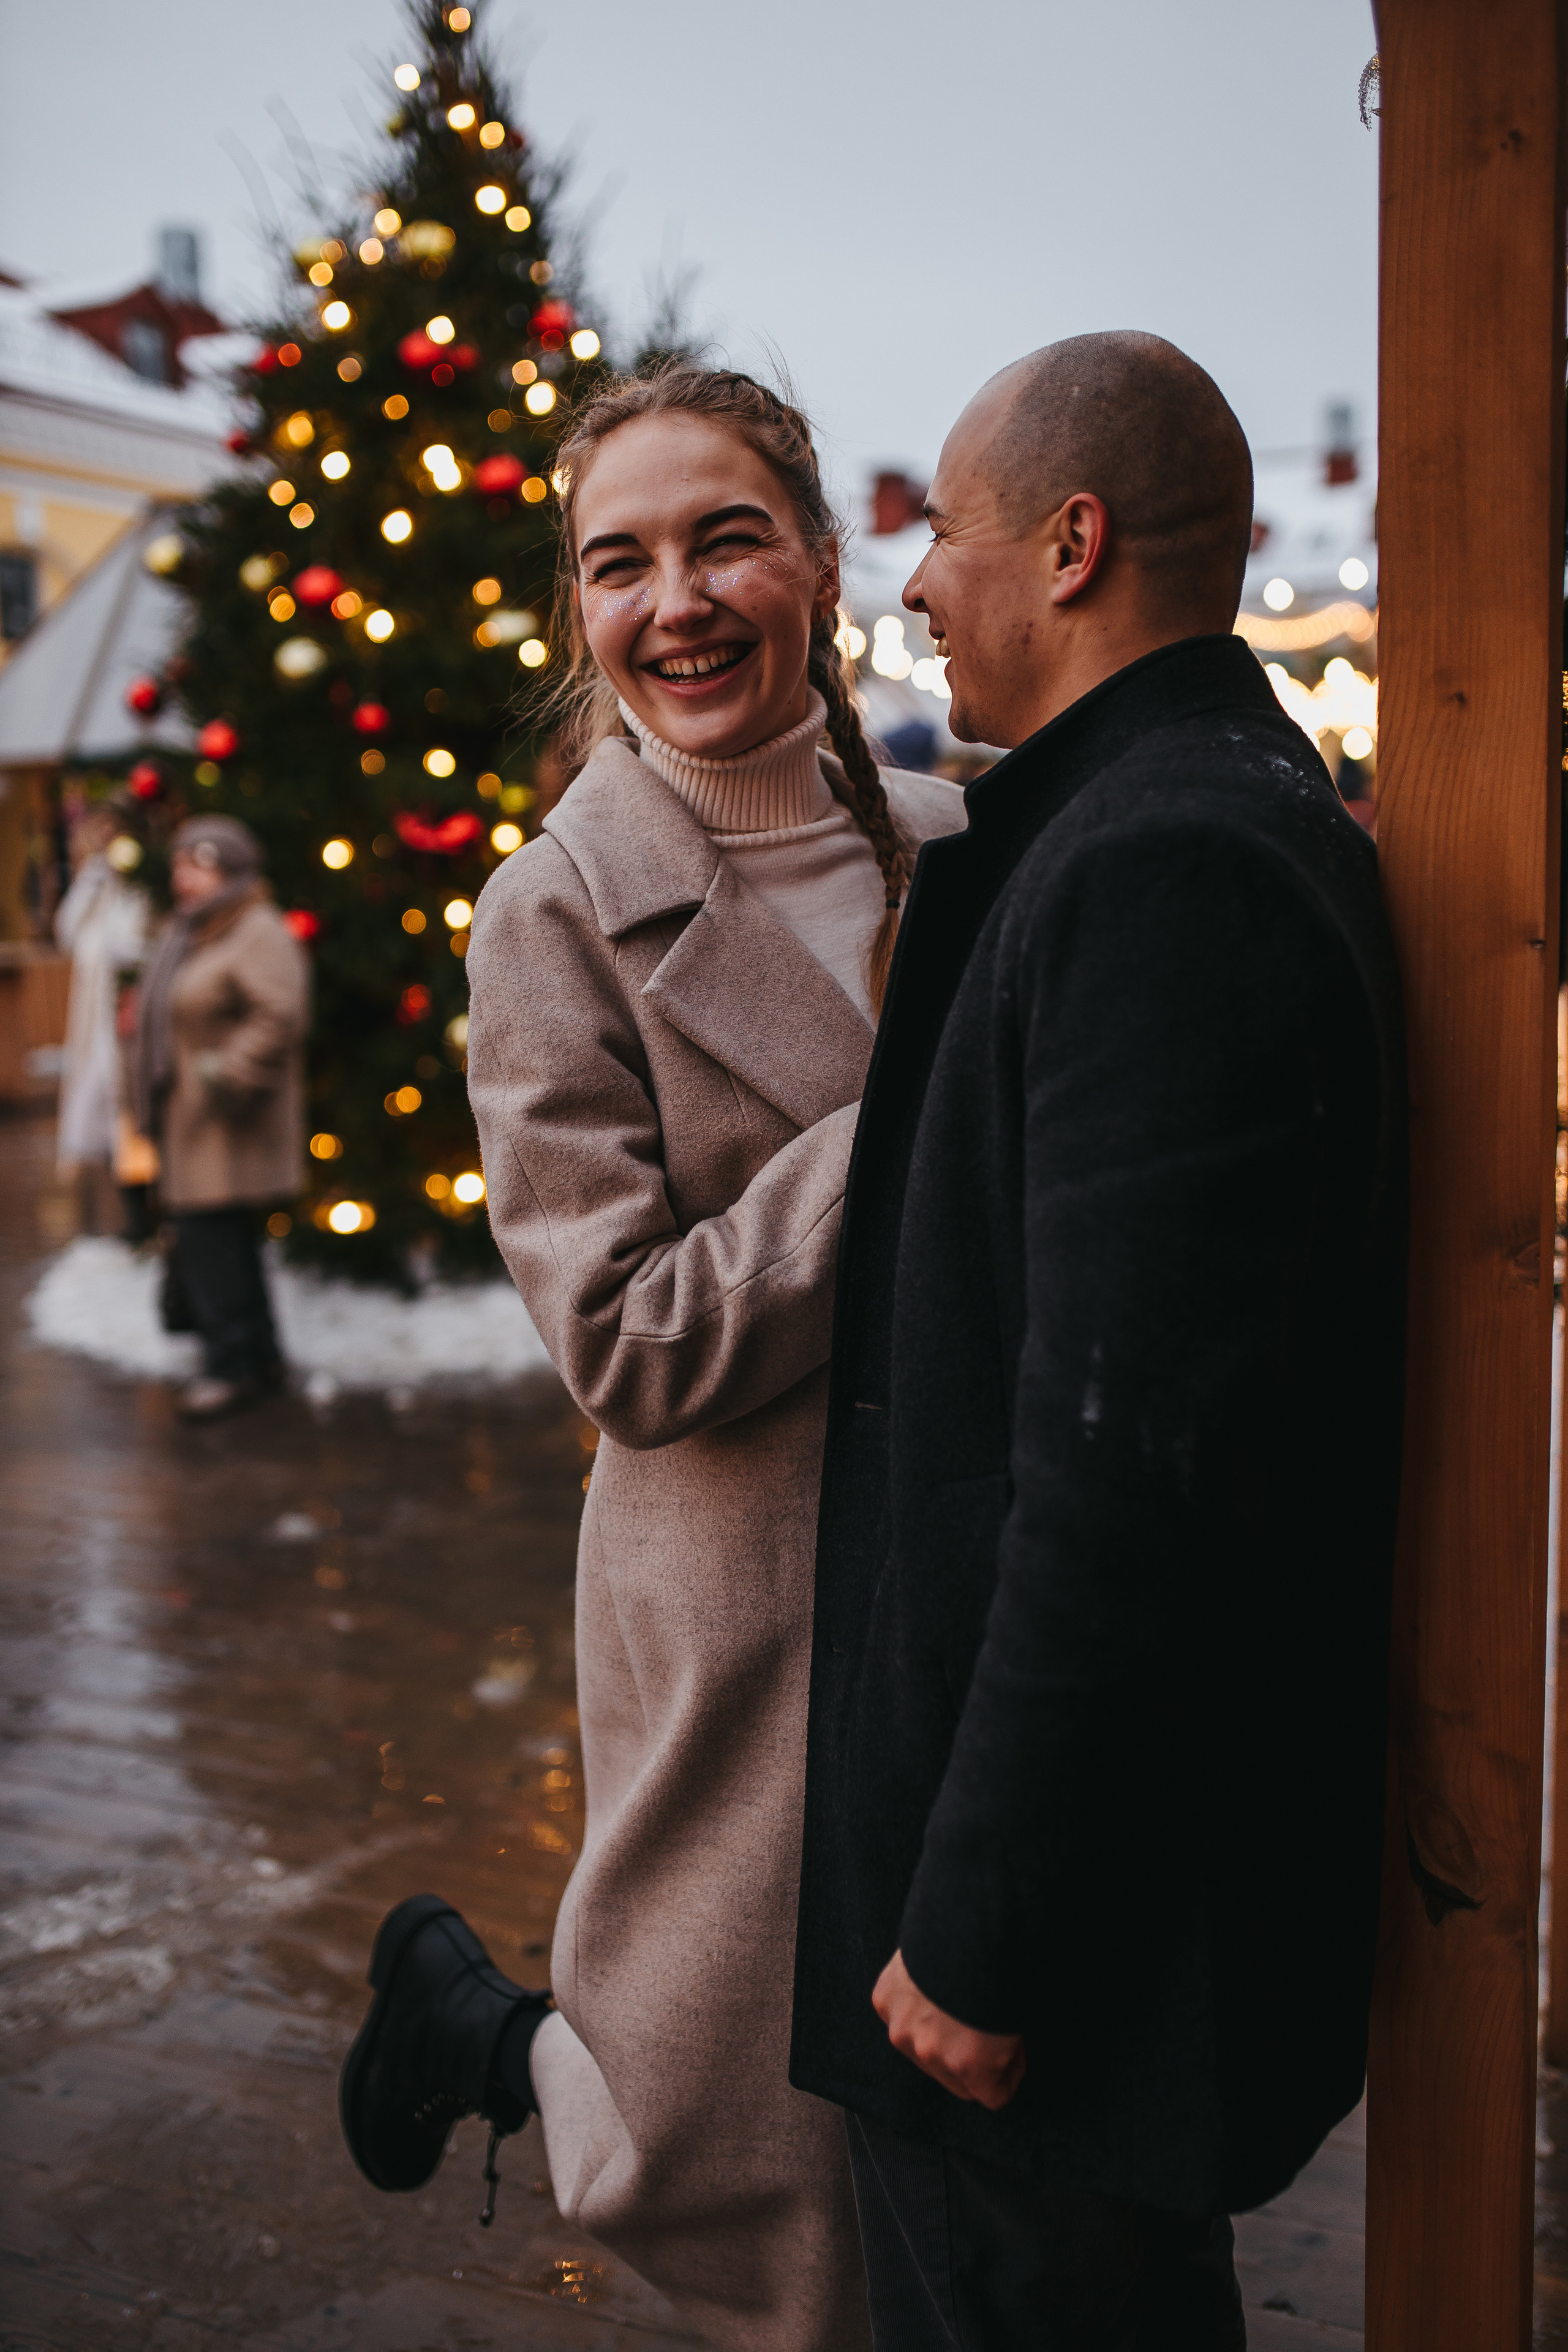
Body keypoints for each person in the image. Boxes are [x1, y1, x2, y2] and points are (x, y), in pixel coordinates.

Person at [789, 333, 1408, 2350]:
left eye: (948, 538)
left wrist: (980, 1933)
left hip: (1062, 1981)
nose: (917, 586)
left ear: (1070, 545)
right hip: (1078, 1949)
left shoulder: (1167, 862)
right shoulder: (1162, 812)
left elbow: (1129, 1464)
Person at [338, 366, 967, 2350]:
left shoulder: (971, 844)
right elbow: (617, 1340)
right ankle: (492, 2039)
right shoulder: (556, 915)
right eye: (621, 563)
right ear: (579, 611)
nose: (675, 601)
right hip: (743, 1595)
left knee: (956, 2119)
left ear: (815, 558)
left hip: (971, 1571)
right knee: (742, 2157)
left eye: (724, 539)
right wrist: (913, 1125)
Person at [130, 813, 308, 1421]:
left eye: (196, 865)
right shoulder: (196, 932)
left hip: (226, 1119)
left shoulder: (254, 929)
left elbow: (279, 1014)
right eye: (179, 864)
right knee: (224, 1245)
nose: (183, 878)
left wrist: (220, 1077)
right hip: (194, 1122)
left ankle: (232, 1367)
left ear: (230, 870)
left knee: (212, 1243)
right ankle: (258, 1360)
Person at [54, 803, 149, 1231]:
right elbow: (68, 933)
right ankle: (119, 1212)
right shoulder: (97, 881)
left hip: (127, 1010)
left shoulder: (142, 883)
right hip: (93, 1017)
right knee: (99, 1108)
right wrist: (90, 884)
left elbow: (134, 942)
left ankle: (140, 1213)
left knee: (127, 1105)